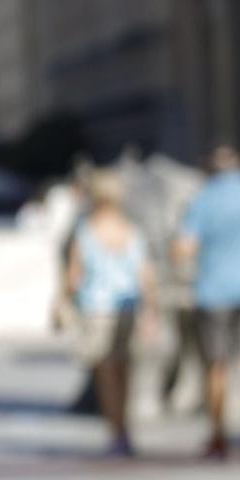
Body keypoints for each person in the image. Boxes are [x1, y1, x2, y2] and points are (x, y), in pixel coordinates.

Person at [176, 145, 240, 467]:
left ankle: (219, 437)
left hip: (215, 291)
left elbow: (185, 248)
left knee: (217, 367)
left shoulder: (204, 198)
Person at [64, 172, 156, 457]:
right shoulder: (131, 231)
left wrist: (65, 300)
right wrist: (152, 311)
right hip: (128, 308)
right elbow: (146, 275)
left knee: (105, 373)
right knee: (125, 371)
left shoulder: (86, 231)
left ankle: (115, 431)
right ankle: (124, 427)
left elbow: (73, 277)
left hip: (97, 309)